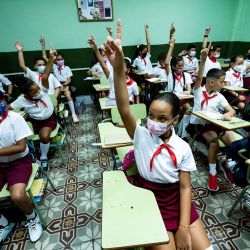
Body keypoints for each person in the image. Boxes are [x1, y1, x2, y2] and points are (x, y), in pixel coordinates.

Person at [104, 19, 213, 250]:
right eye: (151, 115)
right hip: (150, 199)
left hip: (176, 200)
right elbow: (124, 107)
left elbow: (184, 188)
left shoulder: (182, 147)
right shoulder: (142, 135)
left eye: (162, 119)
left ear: (175, 119)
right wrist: (118, 66)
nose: (153, 122)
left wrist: (183, 228)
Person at [188, 47, 237, 192]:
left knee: (233, 143)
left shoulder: (219, 96)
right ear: (211, 82)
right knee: (214, 144)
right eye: (222, 82)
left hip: (216, 124)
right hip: (200, 125)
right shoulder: (199, 92)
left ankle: (229, 165)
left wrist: (229, 113)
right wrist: (203, 60)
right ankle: (213, 173)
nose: (224, 85)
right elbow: (198, 77)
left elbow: (231, 109)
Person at [0, 90, 43, 244]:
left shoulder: (15, 118)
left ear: (3, 100)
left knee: (17, 195)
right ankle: (4, 224)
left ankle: (32, 217)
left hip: (19, 163)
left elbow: (20, 147)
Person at [9, 50, 58, 172]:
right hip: (34, 121)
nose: (39, 92)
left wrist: (51, 59)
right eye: (34, 92)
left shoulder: (42, 91)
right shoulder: (21, 100)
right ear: (26, 94)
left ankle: (43, 157)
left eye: (38, 89)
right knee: (16, 137)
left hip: (48, 120)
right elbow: (9, 107)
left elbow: (45, 76)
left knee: (44, 135)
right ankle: (30, 156)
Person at [39, 37, 79, 123]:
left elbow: (69, 80)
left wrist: (63, 86)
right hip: (56, 87)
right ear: (55, 60)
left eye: (62, 59)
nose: (60, 61)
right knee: (53, 98)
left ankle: (73, 114)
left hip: (65, 85)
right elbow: (44, 57)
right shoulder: (53, 66)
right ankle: (56, 117)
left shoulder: (67, 68)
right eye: (58, 59)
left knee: (68, 94)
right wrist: (43, 45)